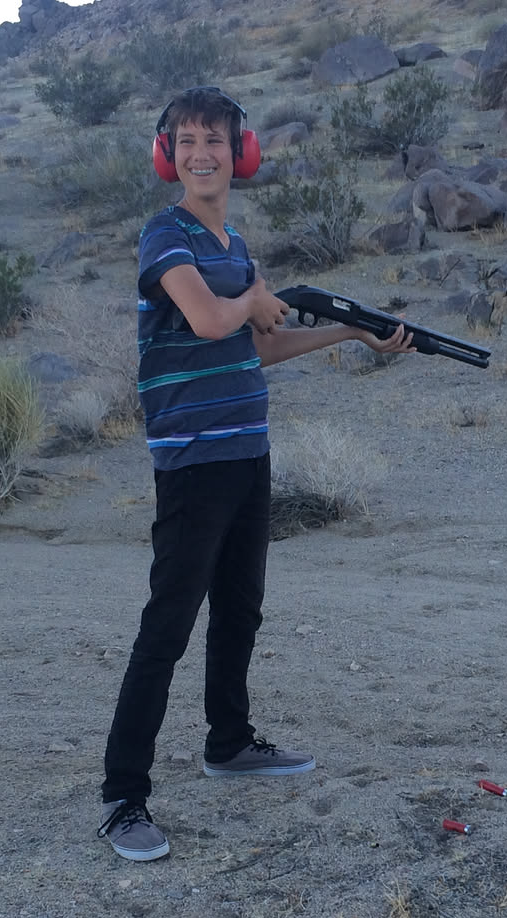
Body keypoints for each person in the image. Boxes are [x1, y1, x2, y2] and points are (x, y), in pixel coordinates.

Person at [97, 85, 413, 862]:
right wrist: (255, 300)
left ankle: (229, 742)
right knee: (168, 627)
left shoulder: (236, 248)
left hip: (247, 449)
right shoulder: (165, 234)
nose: (200, 153)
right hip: (194, 459)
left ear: (240, 152)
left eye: (214, 139)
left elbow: (259, 347)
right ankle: (122, 797)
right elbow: (213, 320)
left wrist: (353, 333)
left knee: (241, 610)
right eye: (186, 140)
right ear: (167, 154)